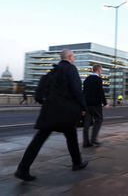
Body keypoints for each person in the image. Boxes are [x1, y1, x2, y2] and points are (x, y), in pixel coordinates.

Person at [14, 50, 88, 182]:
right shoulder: (71, 69)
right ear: (70, 58)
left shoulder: (51, 72)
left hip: (49, 112)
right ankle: (77, 163)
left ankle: (22, 169)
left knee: (38, 140)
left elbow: (38, 95)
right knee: (71, 137)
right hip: (66, 112)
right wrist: (83, 107)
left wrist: (48, 103)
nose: (74, 59)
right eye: (74, 57)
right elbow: (77, 90)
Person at [83, 64, 107, 148]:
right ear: (98, 70)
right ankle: (94, 139)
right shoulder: (98, 79)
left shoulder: (87, 79)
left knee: (86, 123)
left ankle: (85, 142)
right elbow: (100, 92)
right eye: (101, 70)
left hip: (87, 104)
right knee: (99, 120)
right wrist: (105, 103)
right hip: (96, 104)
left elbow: (84, 93)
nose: (102, 71)